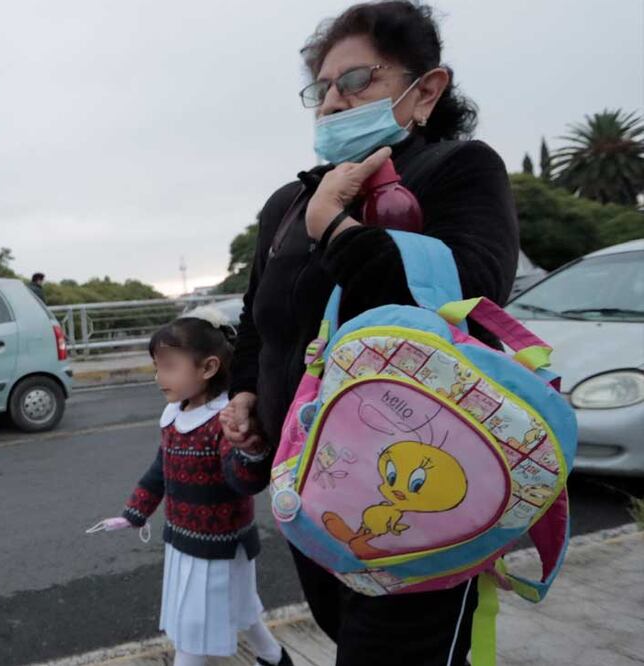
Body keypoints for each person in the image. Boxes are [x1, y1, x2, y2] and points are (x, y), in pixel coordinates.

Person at [218, 2, 519, 665]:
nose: (331, 102)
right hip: (315, 492)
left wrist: (336, 226)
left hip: (424, 499)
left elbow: (465, 302)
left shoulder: (459, 171)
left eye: (355, 81)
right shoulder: (288, 204)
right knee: (344, 636)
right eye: (320, 88)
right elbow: (257, 324)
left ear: (427, 90)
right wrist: (244, 394)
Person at [90, 311, 292, 666]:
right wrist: (134, 513)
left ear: (208, 367)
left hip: (220, 547)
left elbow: (241, 481)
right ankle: (274, 657)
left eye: (169, 367)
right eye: (156, 367)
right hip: (184, 539)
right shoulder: (173, 414)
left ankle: (273, 657)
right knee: (239, 608)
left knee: (193, 630)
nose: (159, 377)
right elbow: (160, 470)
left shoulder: (226, 419)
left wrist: (249, 448)